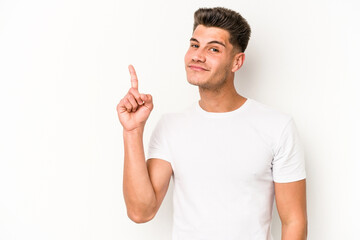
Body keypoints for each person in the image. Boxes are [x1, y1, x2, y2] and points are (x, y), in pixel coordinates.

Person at [116, 6, 307, 240]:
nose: (197, 55)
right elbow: (140, 212)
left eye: (213, 48)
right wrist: (133, 132)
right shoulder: (170, 127)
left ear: (237, 62)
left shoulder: (277, 127)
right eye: (194, 45)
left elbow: (293, 220)